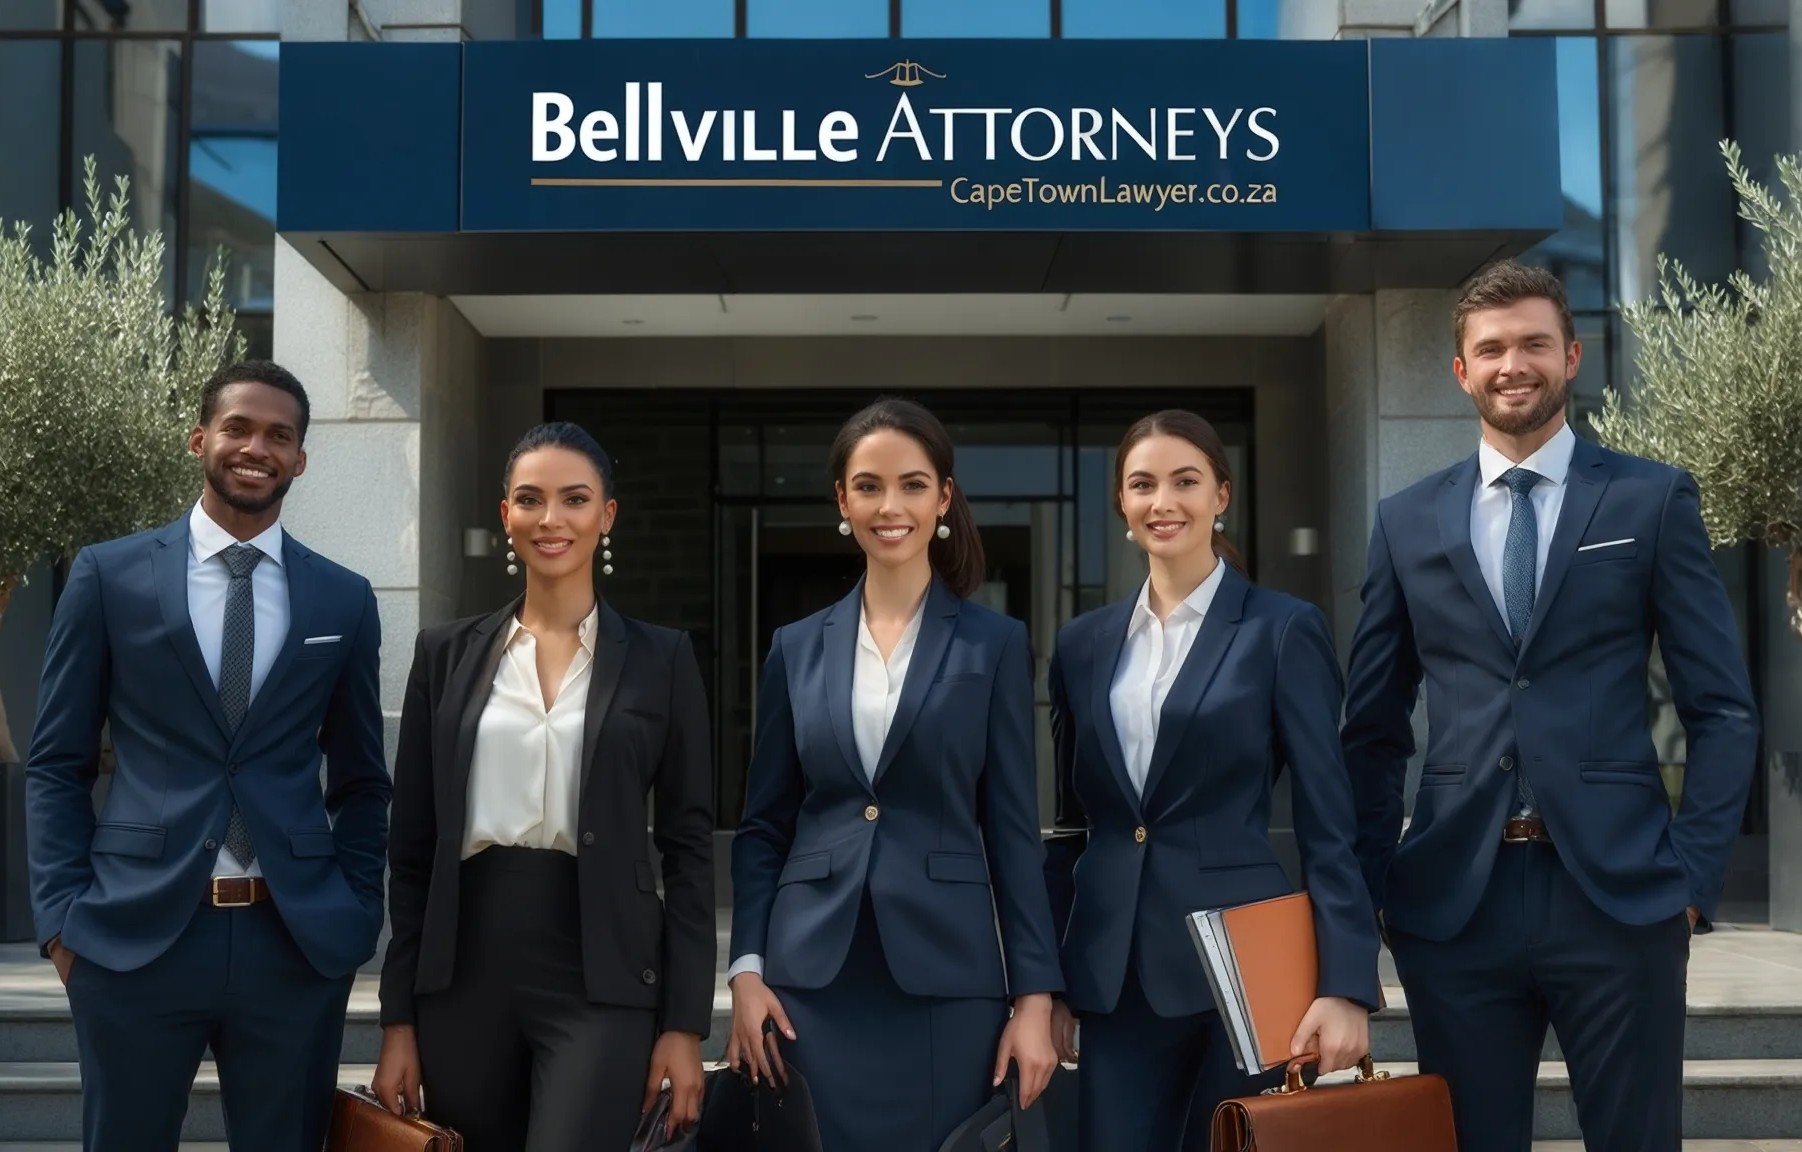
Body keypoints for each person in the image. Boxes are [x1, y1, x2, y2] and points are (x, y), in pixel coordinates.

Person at [1341, 259, 1759, 1152]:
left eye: (1534, 343)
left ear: (1572, 357)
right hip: (1456, 900)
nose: (1511, 363)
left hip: (1618, 895)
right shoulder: (1406, 520)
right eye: (1490, 348)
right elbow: (1371, 728)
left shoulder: (1650, 499)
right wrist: (1380, 875)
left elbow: (1721, 708)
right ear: (1461, 371)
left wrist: (1690, 877)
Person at [25, 360, 391, 1152]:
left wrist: (357, 912)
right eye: (238, 427)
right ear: (200, 439)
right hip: (135, 937)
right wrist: (62, 924)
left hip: (292, 941)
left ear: (300, 459)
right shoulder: (108, 576)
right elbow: (57, 762)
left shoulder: (343, 599)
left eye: (279, 435)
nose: (256, 446)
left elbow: (363, 781)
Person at [726, 397, 1063, 1152]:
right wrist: (745, 970)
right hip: (810, 980)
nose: (891, 506)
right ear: (843, 500)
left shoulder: (994, 644)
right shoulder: (797, 647)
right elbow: (763, 827)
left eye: (912, 485)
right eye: (869, 486)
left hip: (948, 978)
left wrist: (1035, 997)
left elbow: (1012, 831)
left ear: (943, 498)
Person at [370, 422, 714, 1151]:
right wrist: (397, 1018)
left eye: (574, 499)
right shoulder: (445, 655)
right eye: (530, 500)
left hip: (604, 973)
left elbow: (689, 853)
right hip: (465, 968)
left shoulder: (663, 660)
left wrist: (685, 1025)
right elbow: (412, 849)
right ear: (506, 517)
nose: (551, 519)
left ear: (606, 516)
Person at [1044, 410, 1379, 1151]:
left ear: (1221, 494)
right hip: (1113, 969)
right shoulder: (1082, 646)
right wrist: (1053, 981)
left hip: (1245, 972)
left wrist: (1347, 984)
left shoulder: (1281, 629)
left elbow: (1330, 823)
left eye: (1185, 481)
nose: (1164, 501)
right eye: (1143, 485)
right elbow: (1074, 825)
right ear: (1122, 505)